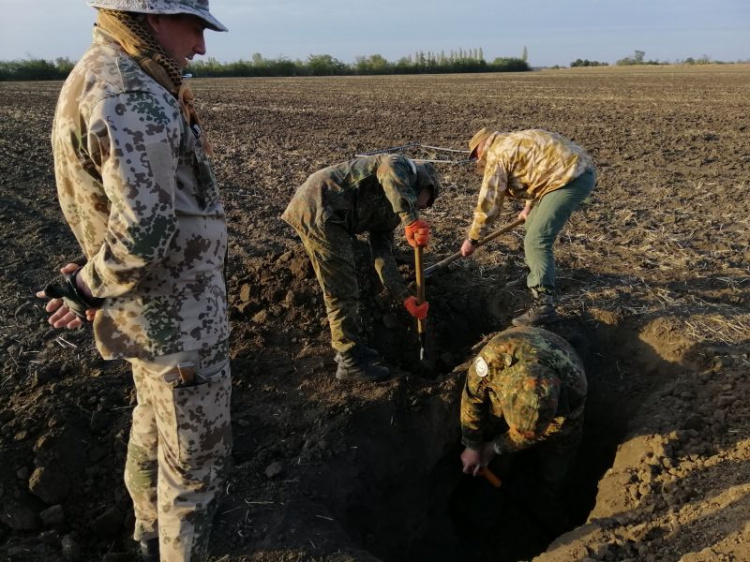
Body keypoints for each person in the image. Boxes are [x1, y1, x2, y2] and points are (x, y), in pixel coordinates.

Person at [37, 1, 230, 560]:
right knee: (194, 472)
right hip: (177, 321)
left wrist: (91, 277)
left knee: (153, 423)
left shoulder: (103, 76)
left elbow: (117, 209)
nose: (200, 47)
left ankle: (148, 536)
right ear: (150, 18)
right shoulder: (130, 94)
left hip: (153, 315)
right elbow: (144, 231)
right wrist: (86, 286)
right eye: (193, 28)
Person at [281, 155, 441, 383]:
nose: (425, 206)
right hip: (319, 206)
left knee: (348, 283)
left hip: (334, 218)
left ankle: (353, 348)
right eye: (429, 199)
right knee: (342, 288)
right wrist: (411, 220)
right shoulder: (401, 167)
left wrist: (405, 297)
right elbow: (388, 168)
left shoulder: (391, 212)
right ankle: (349, 361)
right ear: (424, 184)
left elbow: (382, 256)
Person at [459, 128, 596, 326]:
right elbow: (536, 169)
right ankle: (534, 272)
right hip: (568, 173)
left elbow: (489, 203)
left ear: (483, 146)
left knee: (537, 239)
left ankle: (543, 303)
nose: (477, 159)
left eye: (476, 154)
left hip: (570, 180)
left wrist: (472, 239)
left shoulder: (498, 155)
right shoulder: (513, 140)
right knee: (531, 224)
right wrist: (528, 207)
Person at [459, 326, 587, 506]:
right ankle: (492, 496)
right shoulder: (492, 362)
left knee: (559, 459)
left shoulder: (574, 383)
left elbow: (558, 427)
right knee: (499, 455)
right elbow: (472, 399)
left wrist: (495, 447)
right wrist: (473, 445)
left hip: (559, 414)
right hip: (513, 355)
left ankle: (550, 496)